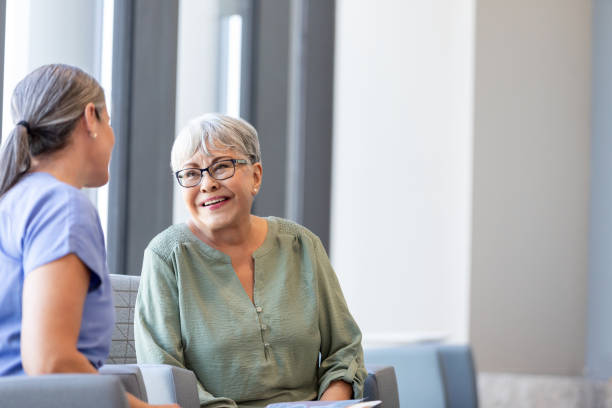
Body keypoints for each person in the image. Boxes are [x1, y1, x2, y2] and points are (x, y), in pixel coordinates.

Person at [135, 113, 368, 408]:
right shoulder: (166, 256)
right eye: (191, 173)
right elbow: (162, 375)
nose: (206, 184)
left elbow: (344, 350)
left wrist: (328, 406)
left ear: (255, 175)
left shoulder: (301, 245)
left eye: (221, 167)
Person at [0, 64, 178, 408]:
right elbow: (49, 362)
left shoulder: (14, 200)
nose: (112, 136)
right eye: (109, 121)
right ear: (90, 118)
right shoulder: (62, 207)